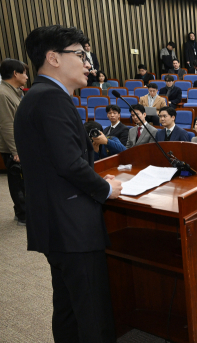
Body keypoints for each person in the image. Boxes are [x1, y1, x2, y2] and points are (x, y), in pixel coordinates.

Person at [14, 25, 123, 342]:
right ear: (53, 58)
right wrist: (106, 188)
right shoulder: (52, 100)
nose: (89, 63)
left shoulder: (35, 97)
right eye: (81, 54)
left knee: (68, 308)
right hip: (72, 226)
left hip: (54, 223)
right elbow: (69, 163)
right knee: (91, 312)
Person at [0, 58, 28, 226]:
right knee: (17, 181)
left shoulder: (14, 90)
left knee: (24, 180)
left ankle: (25, 211)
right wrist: (15, 151)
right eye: (24, 72)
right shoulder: (3, 93)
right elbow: (7, 124)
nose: (26, 76)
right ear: (15, 73)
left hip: (20, 143)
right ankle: (23, 214)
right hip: (13, 147)